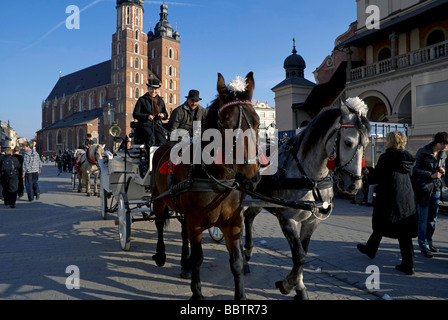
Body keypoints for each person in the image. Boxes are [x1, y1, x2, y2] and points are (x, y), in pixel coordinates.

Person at [357, 131, 417, 275]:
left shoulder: (386, 157)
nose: (385, 142)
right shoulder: (408, 158)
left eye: (387, 140)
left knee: (382, 223)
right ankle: (372, 250)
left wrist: (368, 172)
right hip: (406, 198)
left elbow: (378, 176)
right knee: (403, 231)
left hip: (389, 197)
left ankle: (406, 265)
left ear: (391, 141)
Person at [411, 131, 448, 258]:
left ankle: (429, 241)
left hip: (436, 189)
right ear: (438, 143)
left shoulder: (443, 154)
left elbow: (443, 169)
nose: (446, 147)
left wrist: (442, 171)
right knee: (423, 219)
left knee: (433, 219)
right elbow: (414, 169)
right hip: (423, 189)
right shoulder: (423, 152)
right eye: (444, 144)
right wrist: (430, 174)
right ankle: (423, 245)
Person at [132, 79, 168, 146]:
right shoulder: (142, 100)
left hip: (157, 125)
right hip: (144, 125)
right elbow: (135, 114)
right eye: (151, 89)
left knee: (162, 140)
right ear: (148, 89)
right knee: (151, 138)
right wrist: (147, 116)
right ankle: (149, 155)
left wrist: (163, 115)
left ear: (158, 89)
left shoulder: (160, 100)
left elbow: (166, 115)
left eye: (156, 89)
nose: (154, 91)